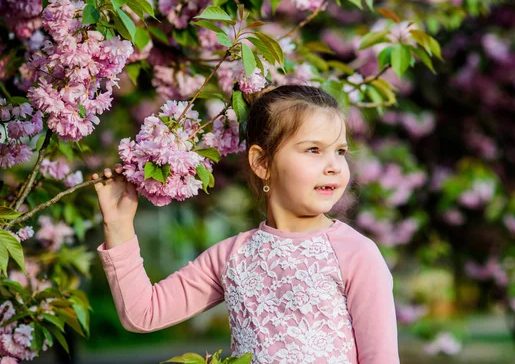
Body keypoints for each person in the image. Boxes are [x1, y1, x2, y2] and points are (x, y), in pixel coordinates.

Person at [92, 85, 399, 363]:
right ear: (262, 163)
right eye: (313, 150)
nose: (334, 166)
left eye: (340, 151)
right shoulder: (233, 256)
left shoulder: (357, 254)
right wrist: (118, 226)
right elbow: (144, 313)